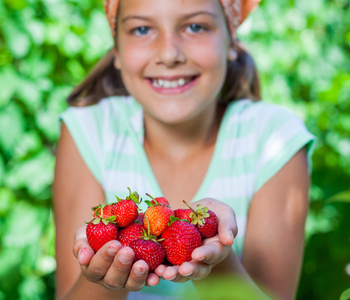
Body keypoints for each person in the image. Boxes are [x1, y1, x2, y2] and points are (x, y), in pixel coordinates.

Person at [53, 0, 315, 299]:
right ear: (117, 50)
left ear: (231, 40)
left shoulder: (274, 138)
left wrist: (216, 258)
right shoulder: (89, 130)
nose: (169, 54)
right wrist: (101, 273)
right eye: (141, 29)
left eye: (195, 26)